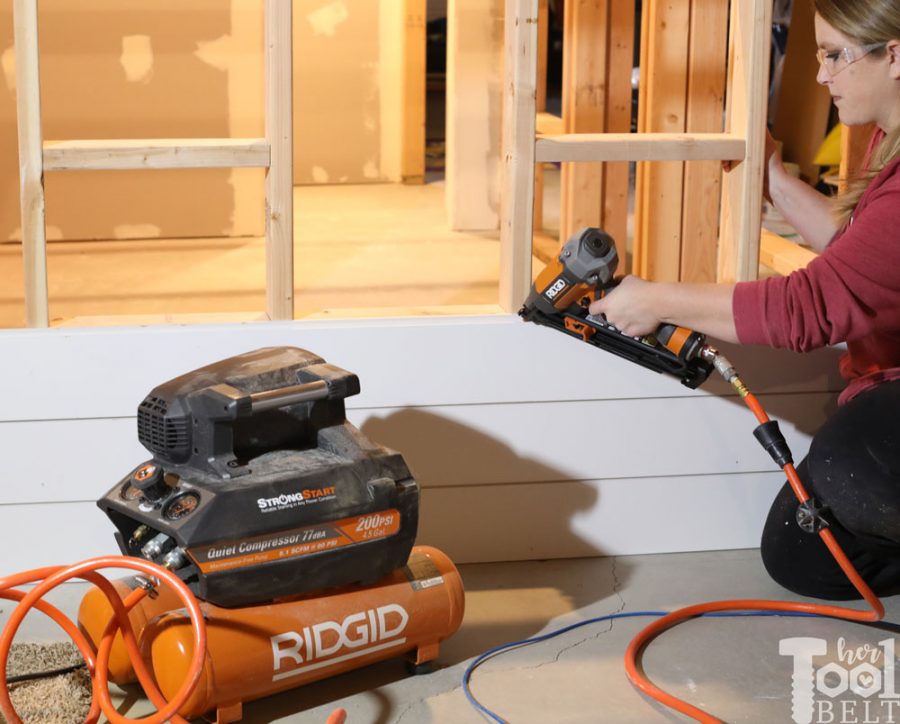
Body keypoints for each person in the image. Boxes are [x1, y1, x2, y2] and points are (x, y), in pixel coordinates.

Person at [589, 0, 900, 600]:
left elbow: (809, 307)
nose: (819, 75)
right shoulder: (886, 141)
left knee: (854, 468)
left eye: (836, 55)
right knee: (802, 554)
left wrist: (657, 299)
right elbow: (865, 259)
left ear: (894, 56)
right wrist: (775, 181)